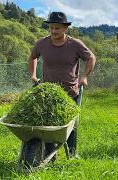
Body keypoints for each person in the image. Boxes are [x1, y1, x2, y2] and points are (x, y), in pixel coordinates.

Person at [28, 11, 96, 157]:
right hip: (48, 92)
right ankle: (50, 153)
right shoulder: (42, 43)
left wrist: (84, 77)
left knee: (70, 124)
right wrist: (33, 75)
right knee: (48, 123)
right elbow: (32, 57)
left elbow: (91, 58)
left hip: (70, 91)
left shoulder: (75, 44)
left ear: (65, 28)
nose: (54, 31)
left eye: (57, 28)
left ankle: (72, 153)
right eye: (51, 27)